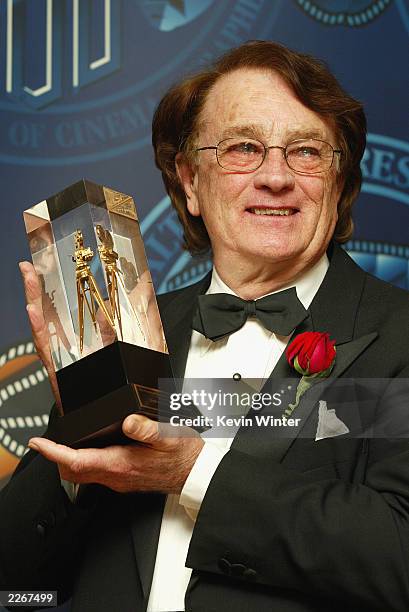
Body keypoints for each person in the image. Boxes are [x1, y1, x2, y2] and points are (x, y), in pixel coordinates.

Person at [2, 40, 409, 612]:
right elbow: (20, 580)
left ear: (338, 184)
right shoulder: (130, 335)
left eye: (306, 152)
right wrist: (80, 426)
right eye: (244, 148)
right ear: (190, 181)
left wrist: (194, 472)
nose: (276, 176)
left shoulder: (399, 339)